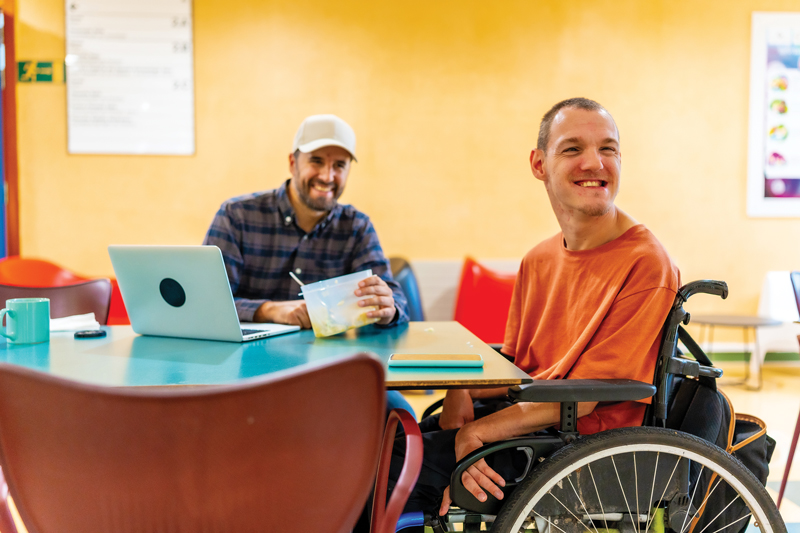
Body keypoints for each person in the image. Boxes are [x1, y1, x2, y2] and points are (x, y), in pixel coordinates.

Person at [385, 97, 681, 527]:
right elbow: (521, 366)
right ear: (539, 164)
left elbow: (589, 395)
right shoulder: (538, 259)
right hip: (536, 424)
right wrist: (460, 389)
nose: (594, 163)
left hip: (583, 449)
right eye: (573, 148)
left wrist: (477, 433)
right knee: (378, 444)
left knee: (375, 472)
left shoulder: (646, 263)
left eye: (608, 149)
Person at [203, 113, 409, 329]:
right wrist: (268, 310)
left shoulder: (357, 227)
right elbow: (205, 302)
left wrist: (389, 309)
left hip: (329, 358)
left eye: (339, 165)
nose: (327, 176)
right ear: (293, 163)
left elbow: (398, 303)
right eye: (316, 161)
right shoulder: (236, 216)